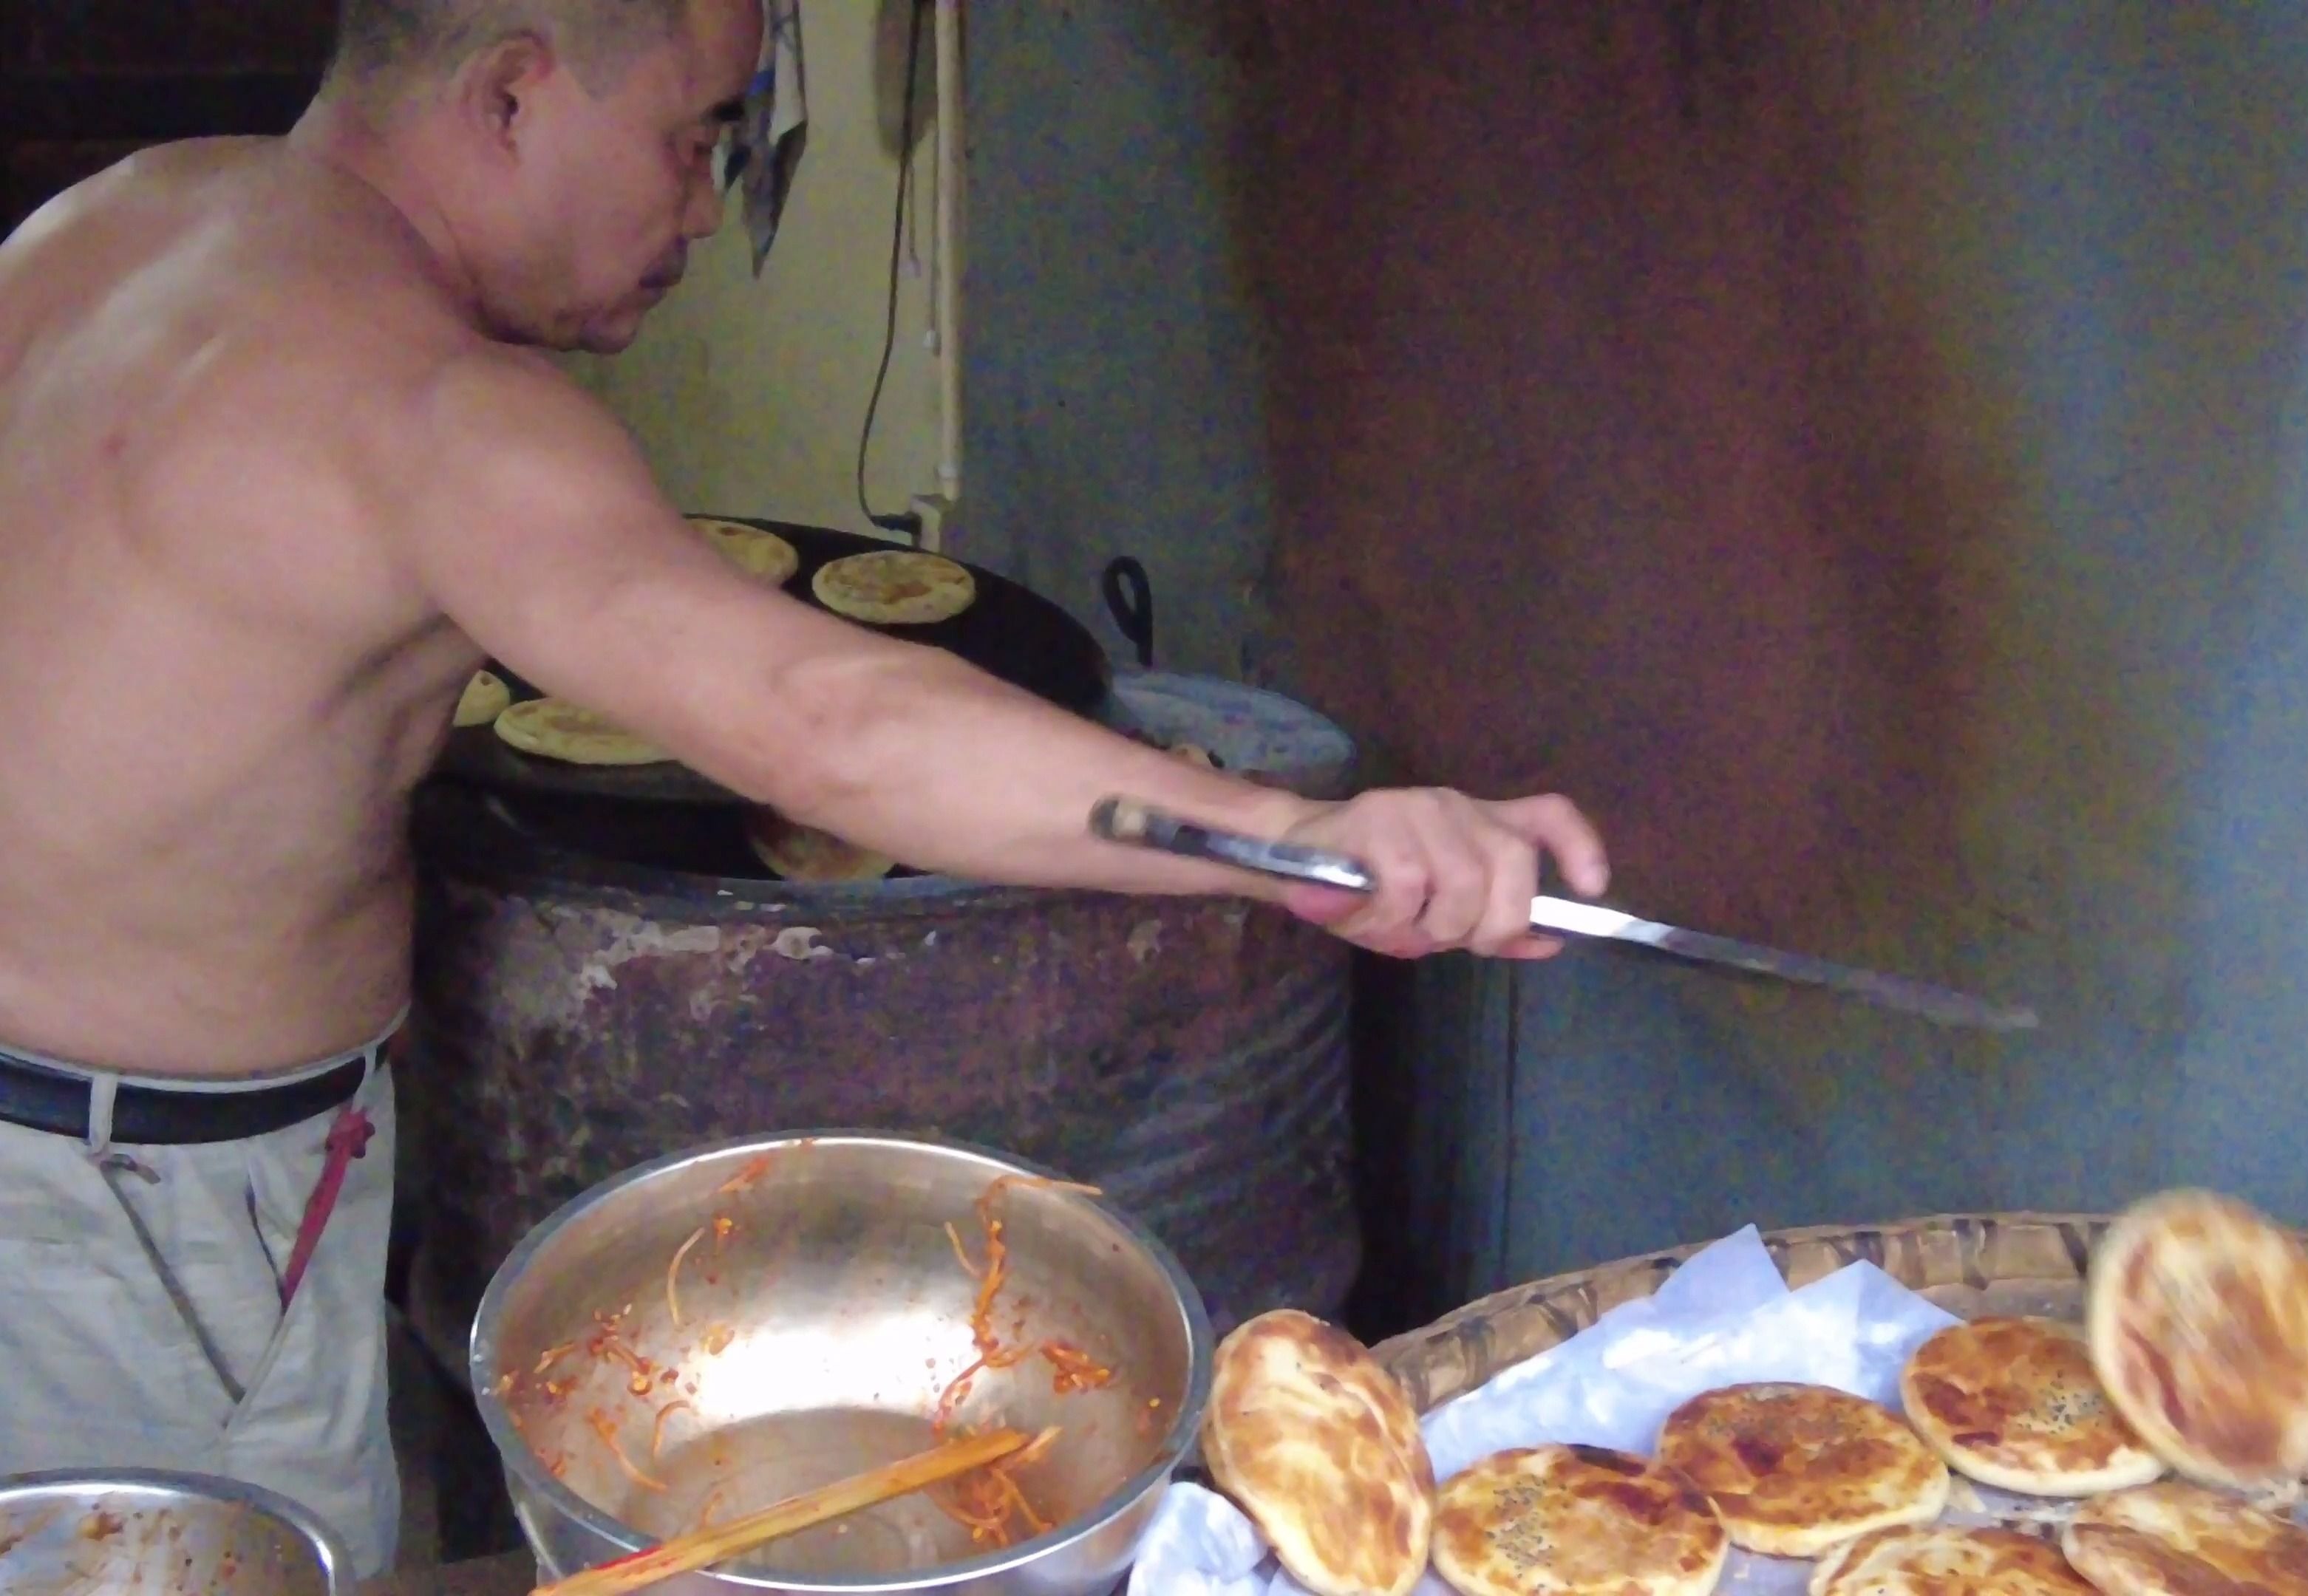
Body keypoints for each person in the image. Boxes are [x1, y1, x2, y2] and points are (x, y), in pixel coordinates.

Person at [0, 0, 1607, 1575]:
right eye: (693, 135)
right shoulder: (432, 412)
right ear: (509, 95)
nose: (702, 206)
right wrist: (1305, 842)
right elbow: (823, 724)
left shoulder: (118, 222)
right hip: (126, 1212)